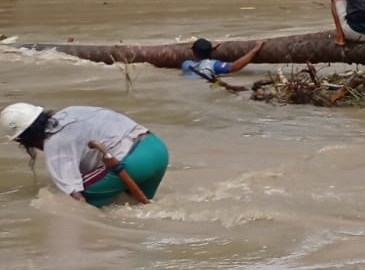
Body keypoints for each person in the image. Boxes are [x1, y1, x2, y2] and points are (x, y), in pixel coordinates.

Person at [2, 103, 169, 206]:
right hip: (157, 148)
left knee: (66, 202)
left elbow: (75, 196)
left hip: (131, 164)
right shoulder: (72, 111)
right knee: (135, 206)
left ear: (23, 140)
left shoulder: (54, 145)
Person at [182, 38, 266, 84]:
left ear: (193, 52)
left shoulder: (186, 64)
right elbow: (235, 67)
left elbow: (198, 60)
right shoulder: (213, 65)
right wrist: (255, 50)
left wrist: (209, 49)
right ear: (211, 51)